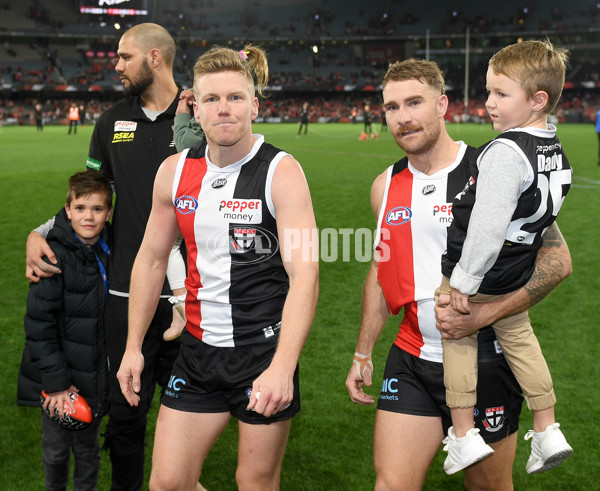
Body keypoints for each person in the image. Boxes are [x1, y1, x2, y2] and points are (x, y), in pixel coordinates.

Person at [345, 58, 572, 491]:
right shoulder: (384, 186)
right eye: (392, 107)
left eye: (414, 102)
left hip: (486, 358)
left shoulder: (493, 167)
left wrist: (486, 315)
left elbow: (557, 260)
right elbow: (381, 268)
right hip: (411, 357)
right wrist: (362, 352)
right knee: (391, 484)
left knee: (488, 487)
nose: (403, 118)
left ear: (442, 104)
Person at [117, 44, 319, 490]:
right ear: (195, 105)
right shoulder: (174, 171)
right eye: (211, 99)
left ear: (255, 105)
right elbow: (150, 260)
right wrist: (133, 345)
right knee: (167, 483)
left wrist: (284, 366)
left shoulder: (282, 172)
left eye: (235, 98)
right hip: (196, 354)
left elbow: (306, 273)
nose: (223, 109)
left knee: (255, 482)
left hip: (262, 355)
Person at [25, 23, 187, 490]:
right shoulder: (110, 121)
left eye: (123, 57)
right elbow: (89, 196)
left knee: (191, 406)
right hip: (124, 289)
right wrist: (41, 232)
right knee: (125, 416)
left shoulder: (198, 116)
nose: (115, 66)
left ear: (154, 58)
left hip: (191, 292)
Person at [439, 40, 573, 475]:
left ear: (538, 100)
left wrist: (462, 282)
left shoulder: (504, 151)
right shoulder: (555, 149)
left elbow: (487, 228)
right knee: (522, 342)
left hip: (483, 274)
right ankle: (548, 427)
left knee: (456, 335)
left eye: (501, 94)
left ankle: (463, 436)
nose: (489, 103)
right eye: (488, 92)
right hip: (517, 270)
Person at [18, 170, 112, 491]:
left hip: (95, 380)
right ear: (67, 210)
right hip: (58, 386)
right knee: (56, 452)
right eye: (81, 208)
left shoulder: (112, 248)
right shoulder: (51, 255)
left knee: (89, 452)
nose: (89, 217)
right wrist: (57, 385)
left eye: (97, 209)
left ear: (108, 212)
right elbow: (39, 326)